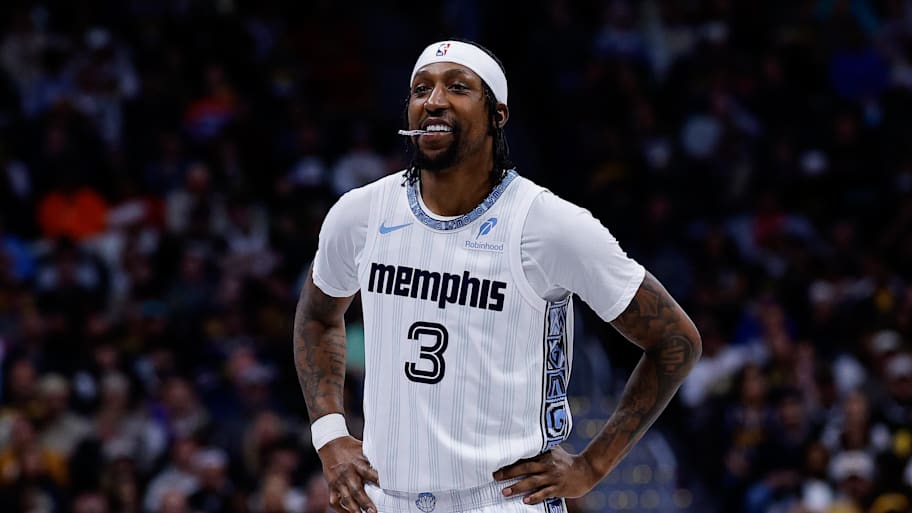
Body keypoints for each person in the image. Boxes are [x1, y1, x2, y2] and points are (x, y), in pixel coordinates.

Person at [293, 39, 702, 513]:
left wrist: (592, 467)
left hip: (502, 501)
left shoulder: (550, 225)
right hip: (387, 499)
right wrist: (330, 435)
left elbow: (675, 340)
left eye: (457, 87)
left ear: (497, 115)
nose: (434, 100)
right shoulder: (359, 213)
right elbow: (317, 316)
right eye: (421, 88)